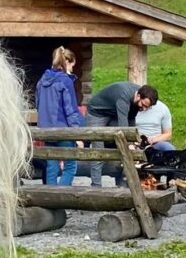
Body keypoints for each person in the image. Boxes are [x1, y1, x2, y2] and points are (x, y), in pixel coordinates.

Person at [84, 81, 156, 188]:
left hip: (113, 114)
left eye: (147, 107)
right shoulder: (123, 96)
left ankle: (121, 184)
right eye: (143, 105)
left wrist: (133, 140)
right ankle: (96, 186)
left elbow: (131, 120)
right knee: (99, 150)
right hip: (97, 113)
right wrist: (129, 144)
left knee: (121, 149)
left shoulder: (138, 100)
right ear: (138, 96)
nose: (143, 109)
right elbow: (123, 126)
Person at [35, 46, 84, 186]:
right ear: (67, 62)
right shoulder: (65, 81)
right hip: (63, 130)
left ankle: (51, 198)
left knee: (52, 166)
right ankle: (62, 196)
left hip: (46, 130)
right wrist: (77, 135)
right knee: (70, 165)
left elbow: (38, 104)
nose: (73, 69)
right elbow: (70, 109)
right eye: (72, 66)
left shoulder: (42, 81)